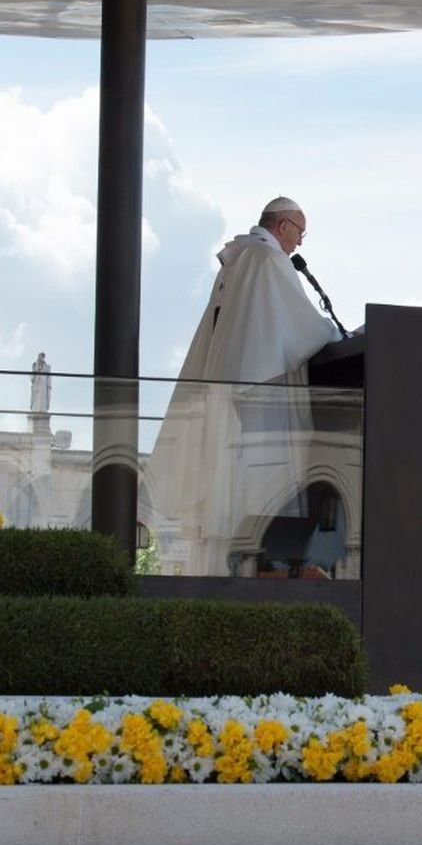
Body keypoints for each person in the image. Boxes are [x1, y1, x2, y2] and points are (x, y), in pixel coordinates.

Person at [146, 197, 342, 575]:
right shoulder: (268, 260)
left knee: (227, 497)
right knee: (256, 495)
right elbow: (302, 325)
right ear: (282, 225)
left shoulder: (239, 259)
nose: (299, 243)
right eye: (300, 232)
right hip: (257, 394)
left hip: (229, 387)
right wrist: (335, 334)